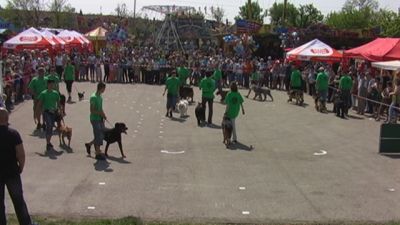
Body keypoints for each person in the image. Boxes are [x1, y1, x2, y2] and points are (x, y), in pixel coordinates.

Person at [0, 108, 37, 225]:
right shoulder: (13, 134)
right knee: (18, 200)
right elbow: (20, 154)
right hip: (11, 171)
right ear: (7, 118)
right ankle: (25, 222)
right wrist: (20, 167)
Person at [36, 79, 61, 150]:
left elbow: (58, 103)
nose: (51, 86)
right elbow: (39, 104)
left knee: (51, 127)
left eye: (52, 85)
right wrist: (36, 112)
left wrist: (61, 111)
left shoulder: (56, 93)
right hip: (46, 112)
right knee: (49, 126)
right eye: (50, 84)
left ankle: (49, 142)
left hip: (54, 112)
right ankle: (47, 143)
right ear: (47, 85)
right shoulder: (43, 93)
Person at [85, 82, 107, 160]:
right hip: (94, 119)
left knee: (101, 135)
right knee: (98, 135)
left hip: (100, 118)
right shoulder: (93, 97)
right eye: (104, 88)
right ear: (101, 88)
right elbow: (92, 110)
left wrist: (104, 115)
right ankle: (97, 153)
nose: (104, 90)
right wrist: (100, 113)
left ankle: (89, 145)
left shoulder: (100, 97)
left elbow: (100, 108)